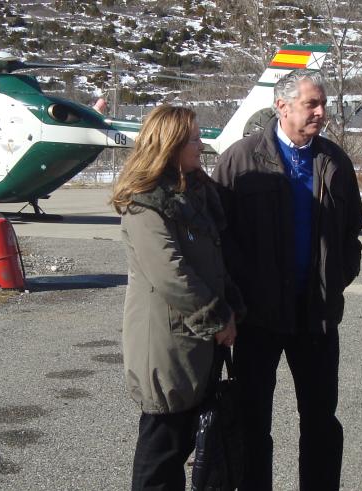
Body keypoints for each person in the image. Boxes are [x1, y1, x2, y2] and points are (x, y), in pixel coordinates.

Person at [211, 69, 362, 490]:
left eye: (323, 104)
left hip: (315, 317)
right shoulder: (239, 160)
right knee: (252, 422)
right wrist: (238, 294)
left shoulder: (335, 160)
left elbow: (351, 233)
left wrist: (335, 281)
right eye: (311, 104)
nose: (321, 112)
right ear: (281, 106)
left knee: (320, 421)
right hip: (257, 318)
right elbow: (218, 237)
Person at [112, 105, 243, 490]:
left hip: (197, 340)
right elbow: (171, 273)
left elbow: (212, 262)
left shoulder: (196, 192)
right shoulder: (145, 202)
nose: (201, 145)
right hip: (166, 343)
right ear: (170, 145)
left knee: (189, 440)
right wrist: (218, 317)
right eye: (194, 139)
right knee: (162, 450)